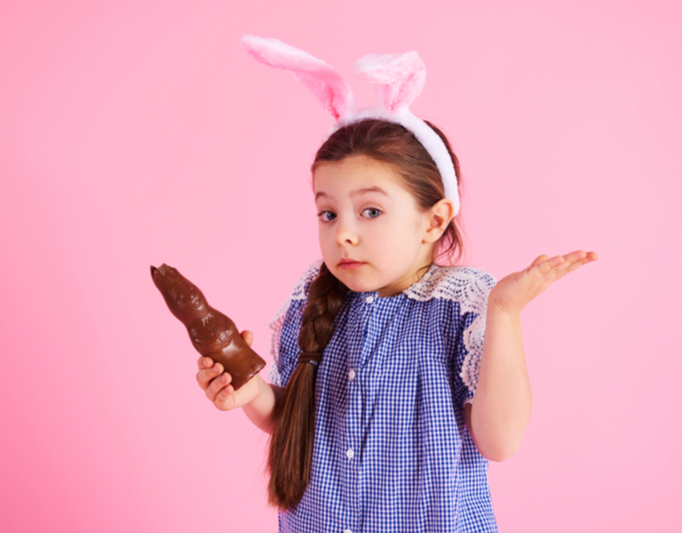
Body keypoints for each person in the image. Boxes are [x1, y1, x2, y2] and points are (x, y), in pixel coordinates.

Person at [195, 38, 598, 533]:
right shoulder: (313, 299)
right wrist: (250, 393)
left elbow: (499, 441)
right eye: (328, 212)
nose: (343, 231)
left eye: (371, 211)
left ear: (433, 222)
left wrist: (506, 313)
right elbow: (295, 420)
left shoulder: (461, 306)